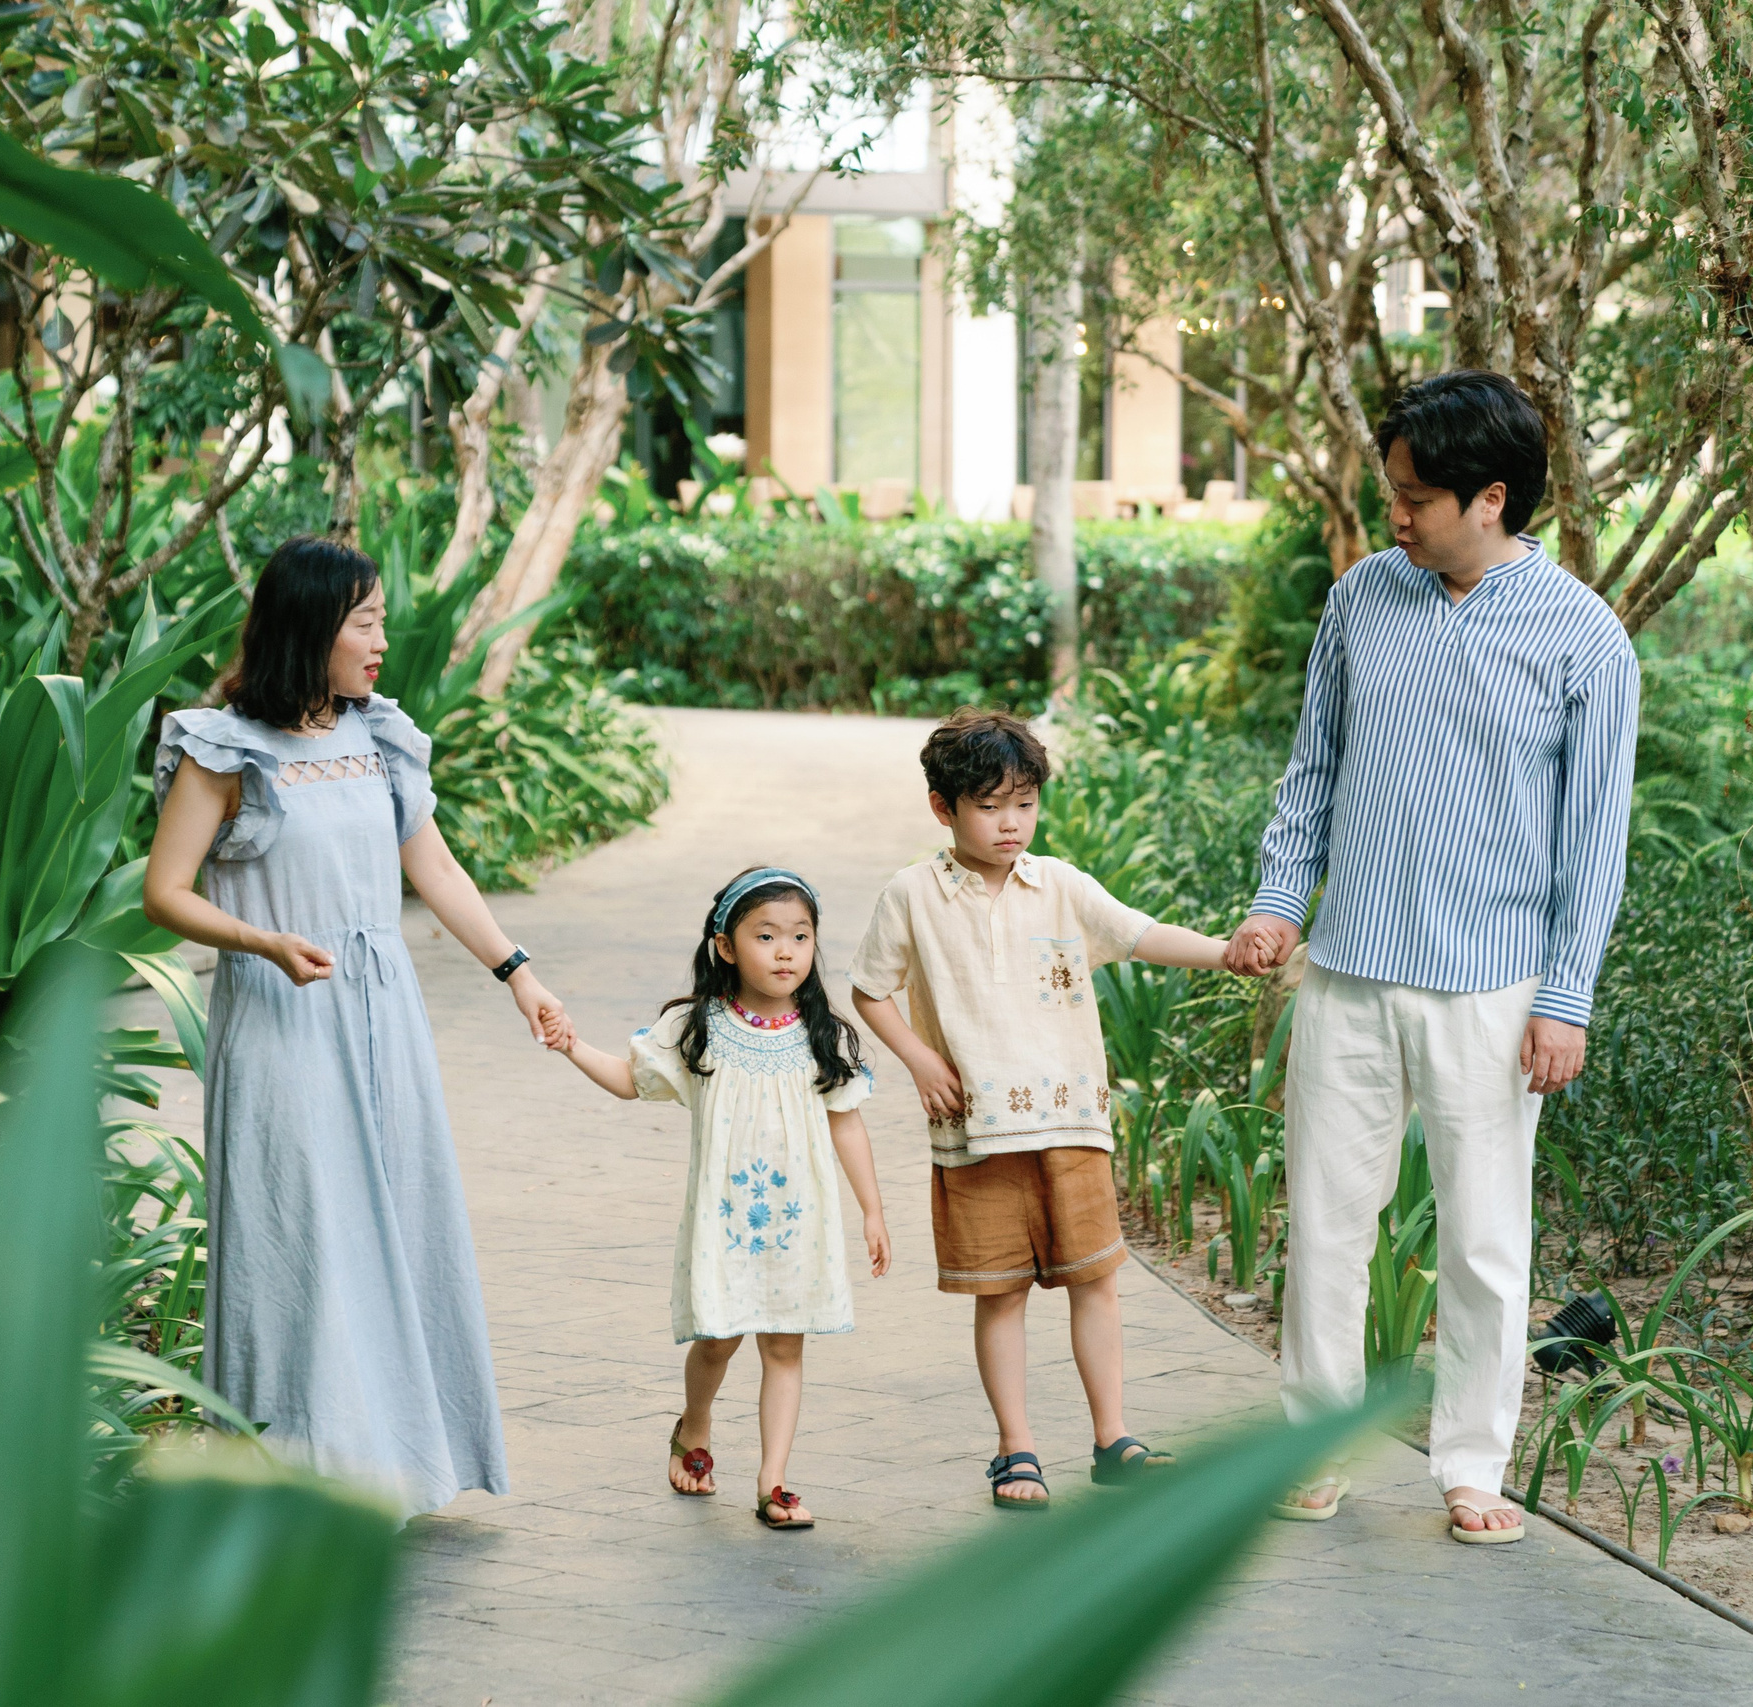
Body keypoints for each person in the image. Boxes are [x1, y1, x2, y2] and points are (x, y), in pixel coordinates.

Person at [1223, 371, 1639, 1544]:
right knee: (1327, 1227)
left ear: (1491, 497)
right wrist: (1276, 903)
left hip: (1495, 987)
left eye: (1414, 499)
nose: (1394, 517)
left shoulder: (1584, 640)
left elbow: (1592, 841)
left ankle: (1470, 1465)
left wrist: (1566, 999)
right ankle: (1315, 1444)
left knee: (1485, 1245)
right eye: (1390, 494)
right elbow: (1312, 770)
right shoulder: (1362, 598)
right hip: (1348, 967)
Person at [142, 534, 574, 1517]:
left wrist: (518, 973)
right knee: (298, 1238)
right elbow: (164, 891)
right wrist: (261, 941)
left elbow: (437, 869)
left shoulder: (375, 736)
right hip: (282, 1016)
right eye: (363, 620)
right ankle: (289, 1480)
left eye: (381, 617)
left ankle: (396, 1467)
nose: (382, 638)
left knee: (398, 1223)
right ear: (310, 627)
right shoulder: (224, 748)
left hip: (387, 1016)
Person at [849, 710, 1230, 1508]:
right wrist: (920, 1060)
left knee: (1096, 1281)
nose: (1010, 821)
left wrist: (1230, 952)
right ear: (942, 808)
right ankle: (1015, 1449)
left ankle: (1112, 1437)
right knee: (1002, 1292)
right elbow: (868, 988)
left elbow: (1140, 933)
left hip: (1071, 1122)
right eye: (989, 805)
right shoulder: (912, 894)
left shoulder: (1060, 885)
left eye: (1024, 802)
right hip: (978, 1131)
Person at [550, 868, 891, 1531]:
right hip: (726, 1222)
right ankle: (695, 1422)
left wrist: (872, 1209)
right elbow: (631, 1080)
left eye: (800, 936)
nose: (786, 951)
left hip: (799, 1224)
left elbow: (847, 1120)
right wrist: (572, 1045)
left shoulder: (823, 1035)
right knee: (718, 1339)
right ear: (727, 947)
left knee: (785, 1349)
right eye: (766, 936)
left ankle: (774, 1479)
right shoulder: (698, 1026)